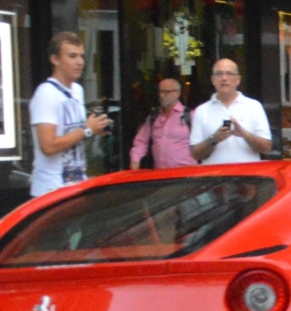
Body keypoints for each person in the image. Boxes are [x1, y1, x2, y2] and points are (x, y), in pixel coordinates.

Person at [28, 31, 112, 198]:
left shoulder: (77, 91)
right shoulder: (46, 93)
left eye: (81, 56)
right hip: (50, 191)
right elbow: (48, 146)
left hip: (76, 187)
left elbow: (74, 133)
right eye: (72, 56)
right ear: (55, 60)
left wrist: (95, 128)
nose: (79, 62)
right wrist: (86, 130)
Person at [189, 58, 273, 163]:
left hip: (248, 177)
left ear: (238, 80)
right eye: (219, 74)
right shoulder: (201, 111)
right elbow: (195, 154)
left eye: (229, 74)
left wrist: (244, 134)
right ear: (213, 80)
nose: (224, 78)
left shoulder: (254, 106)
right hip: (214, 177)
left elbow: (266, 148)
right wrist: (214, 139)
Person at [130, 77, 197, 170]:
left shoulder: (190, 116)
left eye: (166, 92)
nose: (162, 95)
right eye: (160, 92)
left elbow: (204, 144)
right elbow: (141, 141)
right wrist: (135, 160)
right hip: (161, 176)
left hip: (184, 176)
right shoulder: (154, 118)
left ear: (178, 93)